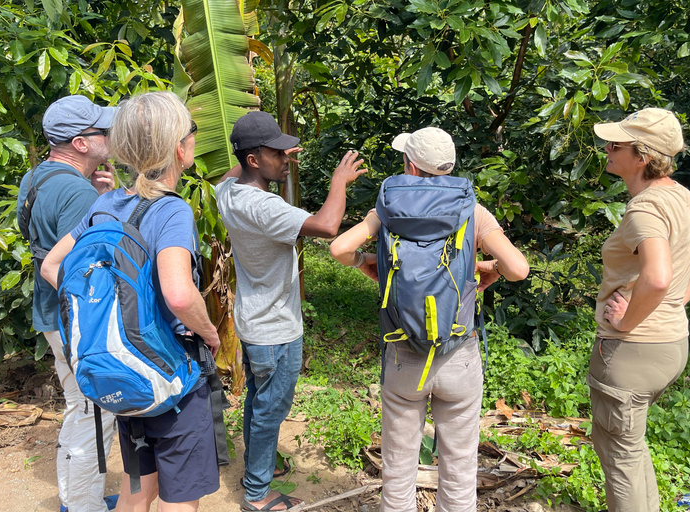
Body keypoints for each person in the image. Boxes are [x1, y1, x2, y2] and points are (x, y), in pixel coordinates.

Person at [330, 127, 530, 512]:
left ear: (410, 165)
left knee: (399, 467)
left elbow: (340, 247)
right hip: (459, 355)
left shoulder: (388, 207)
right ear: (449, 166)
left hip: (404, 355)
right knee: (458, 468)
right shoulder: (472, 209)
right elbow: (518, 268)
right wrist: (489, 269)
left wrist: (365, 263)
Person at [41, 91, 222, 512]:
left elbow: (53, 267)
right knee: (180, 498)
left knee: (136, 491)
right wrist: (209, 332)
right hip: (173, 375)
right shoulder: (171, 211)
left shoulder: (106, 204)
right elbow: (178, 294)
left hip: (124, 371)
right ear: (180, 148)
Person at [214, 111, 366, 511]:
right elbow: (327, 226)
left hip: (253, 321)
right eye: (276, 153)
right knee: (271, 408)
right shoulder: (265, 207)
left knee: (258, 400)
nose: (286, 159)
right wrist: (338, 181)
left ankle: (256, 467)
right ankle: (257, 493)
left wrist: (265, 151)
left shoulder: (227, 191)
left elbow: (233, 172)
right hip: (275, 328)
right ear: (252, 160)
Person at [588, 108, 690, 511]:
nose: (607, 149)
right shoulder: (680, 195)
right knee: (629, 447)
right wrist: (675, 302)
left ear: (642, 156)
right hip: (670, 344)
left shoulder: (645, 208)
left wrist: (629, 319)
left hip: (633, 351)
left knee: (619, 457)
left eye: (617, 145)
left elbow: (658, 276)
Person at [16, 95, 118, 512]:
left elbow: (40, 233)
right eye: (102, 132)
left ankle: (74, 499)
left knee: (79, 405)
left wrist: (91, 195)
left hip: (49, 314)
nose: (110, 136)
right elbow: (81, 271)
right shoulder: (76, 192)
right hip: (75, 320)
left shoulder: (37, 177)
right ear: (80, 143)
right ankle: (84, 506)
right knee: (96, 412)